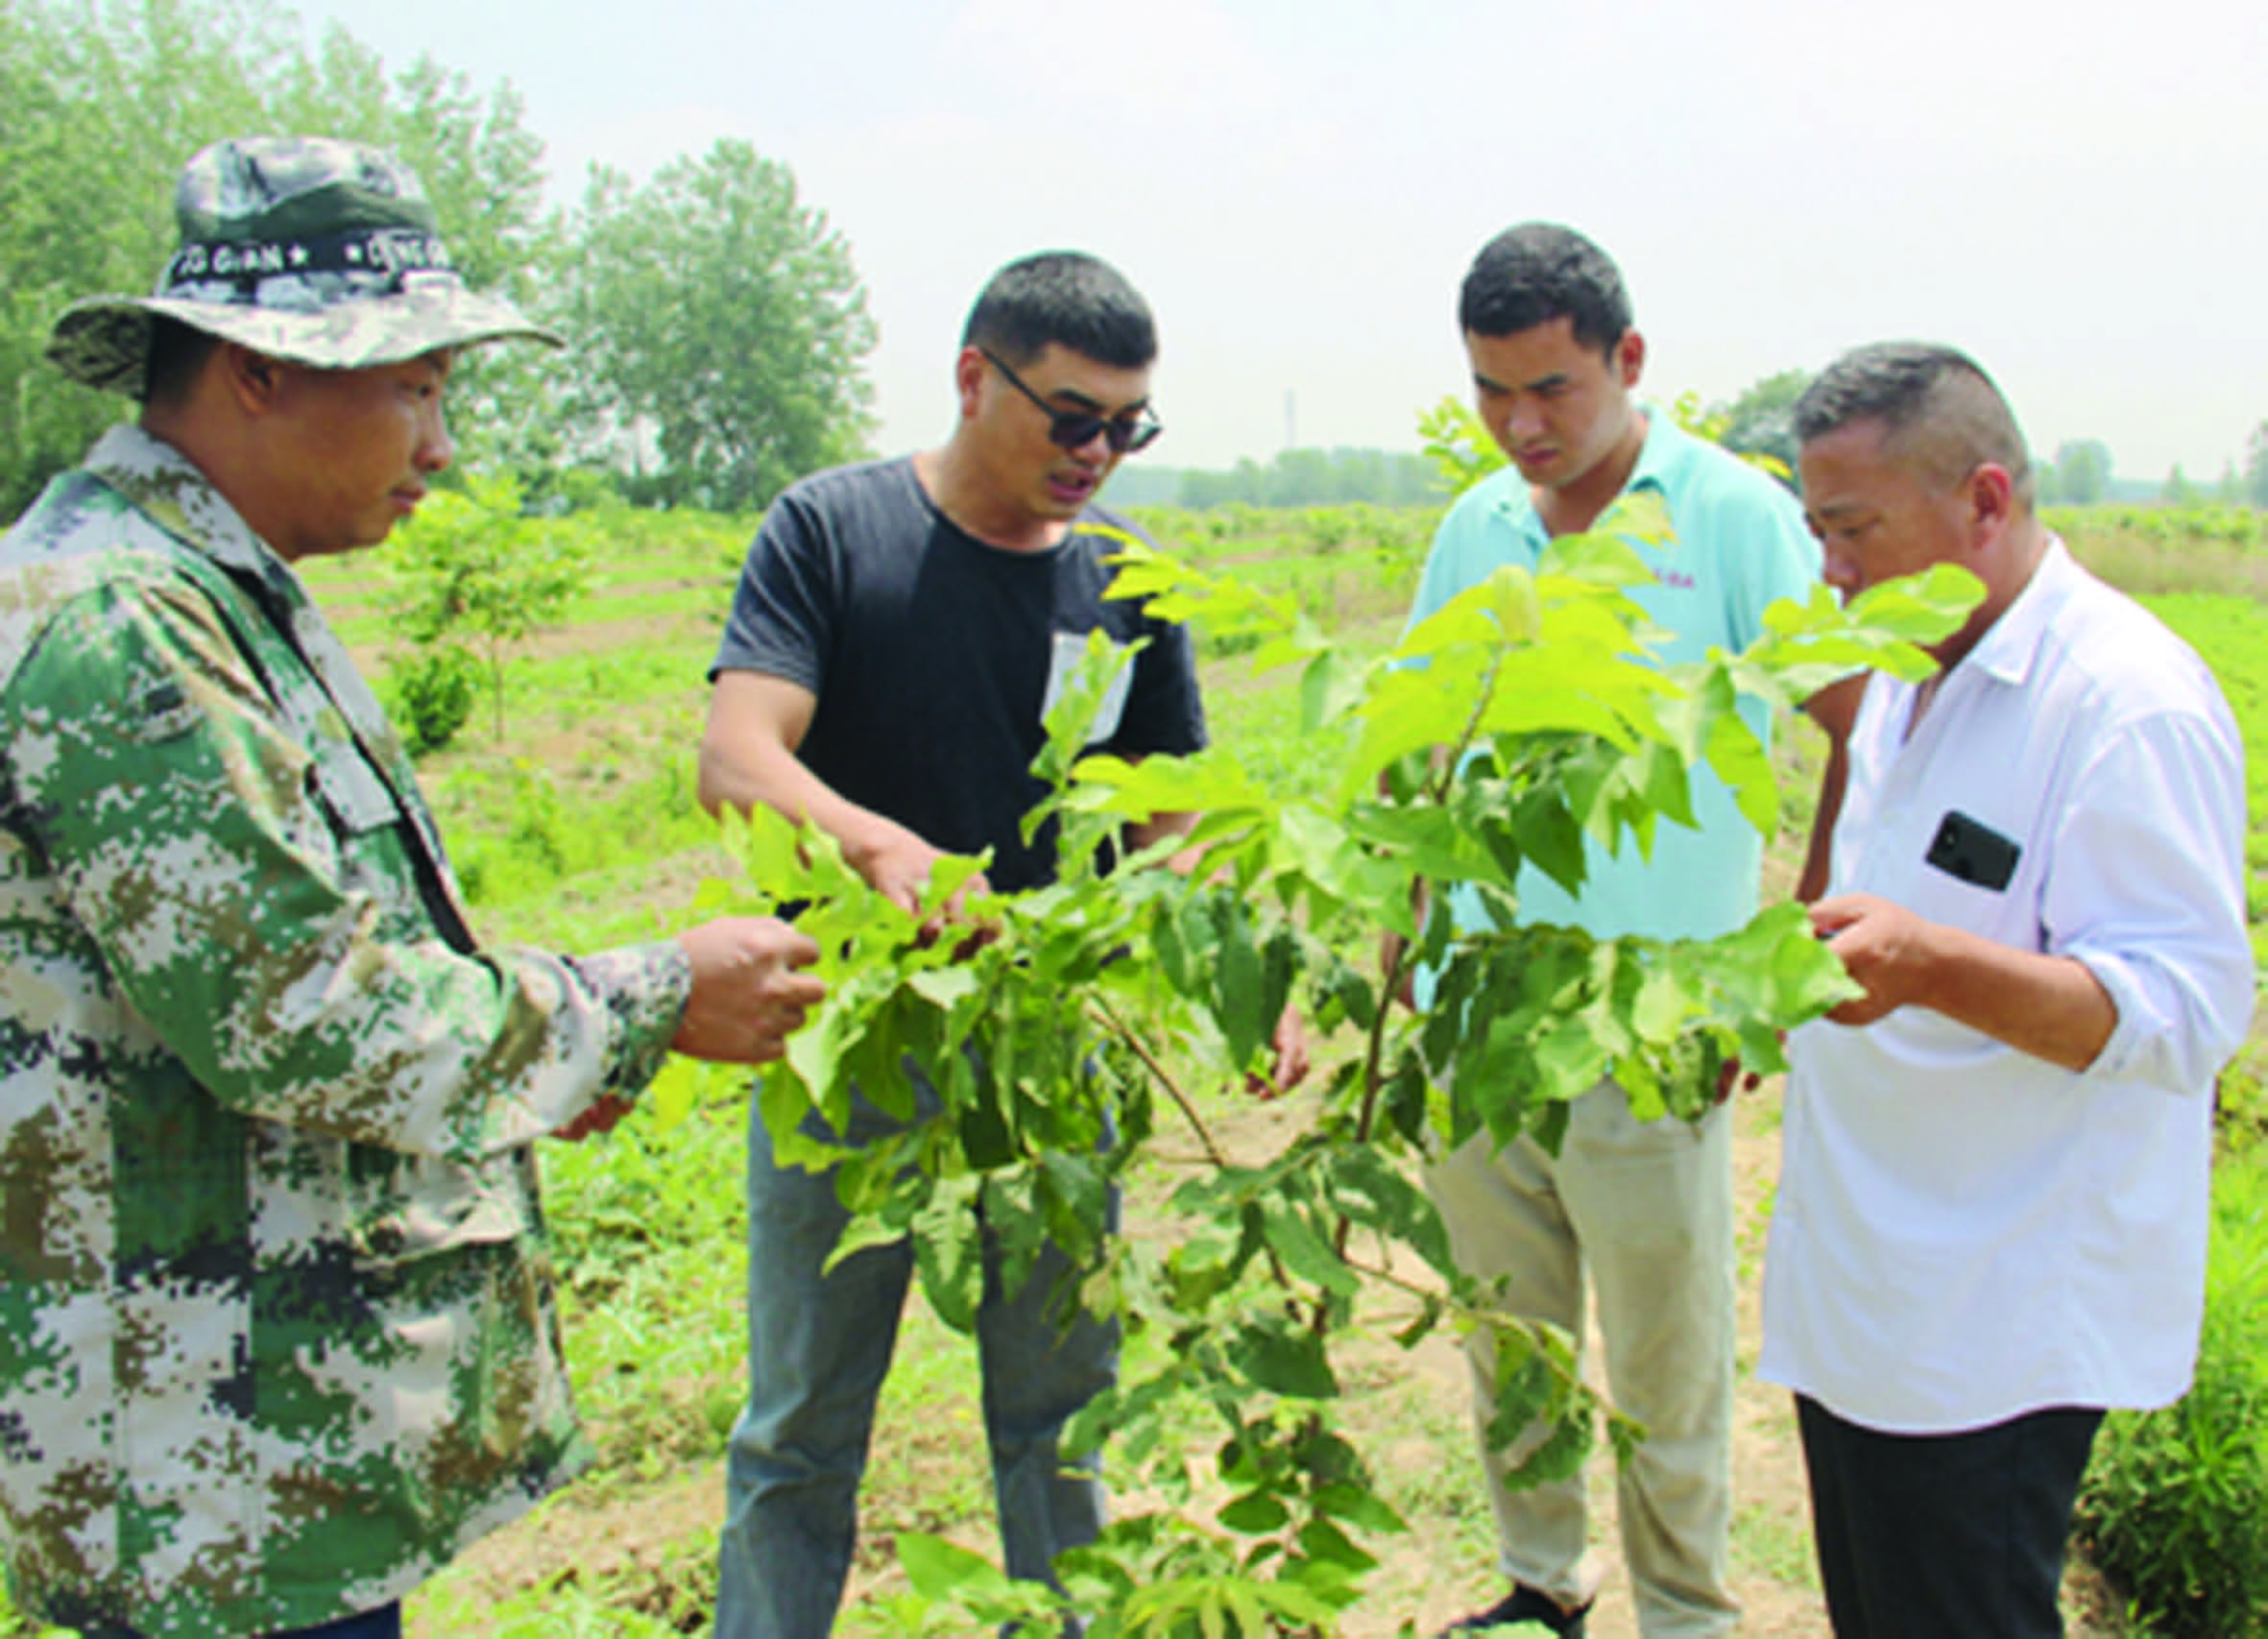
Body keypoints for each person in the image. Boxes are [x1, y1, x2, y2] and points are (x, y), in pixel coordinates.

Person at [0, 136, 827, 1639]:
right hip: (203, 1464)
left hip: (252, 1436)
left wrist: (541, 1052)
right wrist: (643, 1001)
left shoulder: (208, 590)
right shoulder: (125, 624)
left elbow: (321, 931)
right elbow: (303, 1006)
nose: (438, 446)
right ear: (257, 371)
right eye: (416, 387)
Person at [698, 250, 1302, 1637]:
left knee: (1059, 1412)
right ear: (975, 378)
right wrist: (884, 850)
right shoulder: (832, 531)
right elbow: (736, 759)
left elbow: (1164, 816)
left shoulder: (1123, 583)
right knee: (800, 1425)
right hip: (844, 1047)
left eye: (1126, 427)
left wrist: (1247, 963)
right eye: (1072, 417)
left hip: (1048, 1061)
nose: (1098, 454)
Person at [1400, 223, 1860, 1639]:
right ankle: (1544, 1581)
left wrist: (1781, 960)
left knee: (1664, 1359)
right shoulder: (1475, 526)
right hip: (1476, 1014)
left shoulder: (1724, 514)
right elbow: (1424, 756)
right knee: (1508, 1331)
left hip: (1651, 1024)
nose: (1521, 424)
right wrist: (1402, 963)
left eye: (1551, 388)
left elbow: (1853, 725)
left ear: (1630, 361)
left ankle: (1684, 1611)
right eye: (1492, 390)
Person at [1758, 343, 2254, 1637]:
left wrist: (1925, 963)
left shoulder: (2121, 705)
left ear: (1981, 499)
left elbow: (2187, 1008)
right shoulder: (1898, 667)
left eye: (1852, 527)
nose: (1832, 568)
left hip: (1994, 1310)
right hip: (1868, 1284)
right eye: (1817, 531)